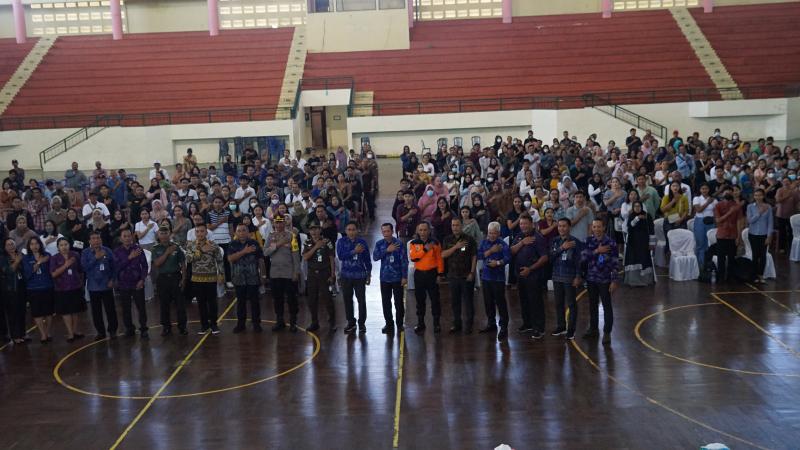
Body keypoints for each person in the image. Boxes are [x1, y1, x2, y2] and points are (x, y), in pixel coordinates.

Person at [511, 215, 549, 339]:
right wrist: (522, 243)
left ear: (532, 224)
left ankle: (539, 328)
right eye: (521, 224)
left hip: (533, 275)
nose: (523, 226)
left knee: (535, 302)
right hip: (520, 275)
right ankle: (527, 324)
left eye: (525, 223)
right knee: (524, 301)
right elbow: (511, 251)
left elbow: (544, 257)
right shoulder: (519, 236)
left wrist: (530, 269)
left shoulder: (538, 238)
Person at [581, 219, 619, 345]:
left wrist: (614, 281)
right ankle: (593, 329)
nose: (596, 229)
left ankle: (607, 332)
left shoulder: (611, 243)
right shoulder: (588, 241)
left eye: (599, 227)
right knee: (592, 305)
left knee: (607, 306)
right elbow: (583, 257)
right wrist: (597, 251)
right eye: (594, 227)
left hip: (605, 280)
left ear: (604, 228)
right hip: (591, 279)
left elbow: (615, 263)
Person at [264, 214, 301, 332]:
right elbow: (265, 252)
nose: (279, 225)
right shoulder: (270, 236)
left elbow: (296, 255)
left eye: (281, 222)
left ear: (284, 223)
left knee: (292, 299)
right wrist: (278, 244)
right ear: (274, 223)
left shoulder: (291, 236)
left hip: (289, 272)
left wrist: (296, 272)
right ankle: (280, 321)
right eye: (277, 222)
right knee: (277, 299)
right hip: (275, 273)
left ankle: (293, 322)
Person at [185, 223, 224, 334]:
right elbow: (188, 259)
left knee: (212, 302)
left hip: (211, 277)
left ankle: (214, 325)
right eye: (197, 231)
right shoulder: (191, 245)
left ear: (206, 232)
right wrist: (201, 250)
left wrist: (221, 274)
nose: (200, 234)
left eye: (202, 231)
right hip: (197, 278)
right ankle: (204, 325)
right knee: (201, 303)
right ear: (195, 233)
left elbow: (220, 261)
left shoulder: (213, 245)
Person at [441, 217, 477, 334]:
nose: (455, 227)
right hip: (453, 275)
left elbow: (474, 256)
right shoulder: (447, 239)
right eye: (453, 225)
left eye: (457, 225)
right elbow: (443, 255)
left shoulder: (469, 239)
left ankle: (469, 325)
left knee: (468, 301)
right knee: (455, 302)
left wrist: (472, 272)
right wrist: (455, 247)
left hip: (466, 275)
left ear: (461, 226)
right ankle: (457, 324)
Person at [550, 218, 583, 340]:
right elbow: (550, 257)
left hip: (569, 277)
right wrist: (562, 248)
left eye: (564, 226)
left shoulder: (575, 242)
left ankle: (571, 329)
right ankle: (561, 326)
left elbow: (579, 262)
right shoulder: (555, 241)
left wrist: (578, 276)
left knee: (571, 304)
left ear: (569, 227)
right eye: (559, 226)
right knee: (558, 303)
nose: (561, 228)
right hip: (557, 276)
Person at [477, 221, 511, 342]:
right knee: (488, 302)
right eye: (490, 233)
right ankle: (491, 323)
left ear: (498, 233)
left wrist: (497, 263)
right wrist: (491, 251)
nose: (491, 235)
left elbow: (508, 258)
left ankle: (504, 326)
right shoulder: (484, 242)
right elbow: (479, 255)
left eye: (494, 233)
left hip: (498, 278)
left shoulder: (502, 244)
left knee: (500, 303)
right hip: (486, 277)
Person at [408, 222, 444, 334]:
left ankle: (436, 324)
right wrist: (425, 250)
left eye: (425, 230)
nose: (423, 232)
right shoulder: (414, 243)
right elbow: (414, 258)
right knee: (420, 300)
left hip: (432, 274)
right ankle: (420, 323)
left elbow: (439, 259)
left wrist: (440, 274)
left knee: (435, 300)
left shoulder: (435, 243)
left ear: (429, 231)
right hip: (419, 274)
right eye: (421, 230)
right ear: (418, 231)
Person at [151, 226, 188, 336]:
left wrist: (184, 278)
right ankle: (166, 327)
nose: (164, 236)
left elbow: (183, 264)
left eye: (166, 233)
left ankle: (182, 327)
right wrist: (167, 252)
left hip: (176, 277)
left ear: (170, 234)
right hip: (162, 278)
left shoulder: (176, 247)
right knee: (164, 304)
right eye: (161, 233)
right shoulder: (155, 249)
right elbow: (157, 263)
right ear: (158, 235)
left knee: (180, 304)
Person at [114, 228, 149, 340]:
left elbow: (145, 266)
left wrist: (142, 279)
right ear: (121, 238)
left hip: (137, 283)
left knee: (141, 307)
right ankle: (129, 328)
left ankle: (143, 329)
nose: (127, 238)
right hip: (123, 284)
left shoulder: (138, 249)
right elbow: (116, 268)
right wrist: (129, 258)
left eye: (129, 236)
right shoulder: (117, 252)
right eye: (124, 236)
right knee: (126, 308)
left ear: (132, 237)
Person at [82, 230, 118, 341]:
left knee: (110, 309)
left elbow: (115, 266)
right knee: (96, 311)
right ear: (89, 241)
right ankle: (100, 332)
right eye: (93, 238)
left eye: (98, 238)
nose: (96, 240)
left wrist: (113, 279)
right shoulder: (85, 253)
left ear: (101, 239)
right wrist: (95, 258)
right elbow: (84, 268)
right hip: (93, 287)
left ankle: (112, 331)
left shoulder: (107, 250)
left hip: (107, 285)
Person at [336, 221, 371, 334]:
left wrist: (368, 273)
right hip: (346, 276)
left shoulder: (362, 242)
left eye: (353, 229)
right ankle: (351, 322)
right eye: (349, 230)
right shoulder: (341, 241)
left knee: (361, 300)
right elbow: (341, 256)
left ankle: (362, 323)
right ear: (345, 231)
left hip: (360, 276)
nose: (351, 232)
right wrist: (354, 251)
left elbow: (367, 259)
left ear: (357, 230)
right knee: (347, 300)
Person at [372, 223, 408, 334]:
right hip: (385, 278)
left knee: (399, 303)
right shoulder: (379, 244)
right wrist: (386, 250)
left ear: (392, 231)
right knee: (386, 302)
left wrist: (404, 276)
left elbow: (404, 261)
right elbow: (375, 257)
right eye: (384, 231)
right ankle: (389, 324)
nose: (386, 233)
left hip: (397, 278)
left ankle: (400, 324)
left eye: (388, 231)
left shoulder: (399, 243)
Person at [49, 237, 86, 342]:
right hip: (62, 289)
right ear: (58, 247)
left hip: (75, 287)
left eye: (66, 244)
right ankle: (70, 333)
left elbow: (80, 270)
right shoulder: (54, 258)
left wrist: (80, 282)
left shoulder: (75, 255)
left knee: (75, 310)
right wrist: (66, 265)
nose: (64, 247)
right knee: (66, 312)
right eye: (61, 245)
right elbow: (53, 274)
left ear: (69, 245)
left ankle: (75, 330)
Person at [228, 223, 262, 333]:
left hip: (253, 277)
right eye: (239, 231)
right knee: (240, 302)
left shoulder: (254, 243)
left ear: (248, 232)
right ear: (235, 233)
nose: (241, 233)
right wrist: (244, 251)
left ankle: (256, 323)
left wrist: (263, 275)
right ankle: (241, 324)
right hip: (239, 278)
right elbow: (230, 258)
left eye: (244, 230)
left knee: (255, 302)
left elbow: (260, 259)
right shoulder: (232, 244)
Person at [302, 224, 337, 333]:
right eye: (311, 230)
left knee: (328, 299)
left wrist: (332, 274)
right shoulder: (307, 242)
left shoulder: (327, 241)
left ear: (320, 230)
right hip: (312, 274)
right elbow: (305, 257)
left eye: (316, 229)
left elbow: (332, 258)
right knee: (312, 299)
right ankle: (314, 322)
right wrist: (316, 247)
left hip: (324, 273)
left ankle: (332, 323)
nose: (314, 232)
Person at [22, 237, 54, 343]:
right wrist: (39, 262)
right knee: (37, 313)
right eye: (32, 244)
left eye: (36, 243)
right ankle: (43, 334)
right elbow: (27, 274)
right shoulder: (26, 258)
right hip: (33, 289)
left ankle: (48, 332)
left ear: (40, 244)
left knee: (49, 312)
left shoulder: (47, 255)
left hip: (47, 287)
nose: (34, 246)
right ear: (29, 246)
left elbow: (52, 271)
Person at [1, 238, 27, 345]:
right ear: (4, 247)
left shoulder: (21, 255)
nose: (11, 246)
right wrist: (17, 261)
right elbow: (8, 271)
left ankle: (23, 333)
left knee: (22, 312)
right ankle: (15, 336)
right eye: (8, 245)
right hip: (10, 289)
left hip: (22, 288)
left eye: (12, 244)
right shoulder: (3, 258)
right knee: (13, 313)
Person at [623, 202, 655, 286]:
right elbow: (630, 226)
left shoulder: (647, 216)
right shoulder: (631, 216)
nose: (637, 208)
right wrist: (637, 218)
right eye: (635, 206)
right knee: (633, 259)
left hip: (644, 242)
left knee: (644, 259)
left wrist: (651, 243)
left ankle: (644, 280)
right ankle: (634, 281)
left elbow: (651, 229)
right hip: (632, 243)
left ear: (642, 207)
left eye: (639, 206)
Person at [713, 187, 742, 283]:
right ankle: (721, 277)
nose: (728, 193)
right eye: (726, 191)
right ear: (722, 194)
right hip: (721, 234)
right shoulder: (718, 205)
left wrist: (738, 236)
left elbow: (739, 221)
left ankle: (730, 277)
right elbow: (718, 220)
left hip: (733, 234)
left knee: (732, 257)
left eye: (730, 191)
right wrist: (730, 212)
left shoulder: (737, 206)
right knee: (721, 257)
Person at [746, 189, 773, 284]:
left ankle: (761, 274)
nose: (758, 197)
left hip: (763, 234)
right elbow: (750, 221)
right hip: (753, 234)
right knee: (755, 255)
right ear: (754, 196)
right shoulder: (750, 207)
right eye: (756, 195)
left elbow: (770, 223)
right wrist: (759, 212)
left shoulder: (768, 207)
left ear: (763, 196)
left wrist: (769, 236)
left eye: (760, 195)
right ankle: (754, 275)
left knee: (763, 255)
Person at [692, 183, 717, 267]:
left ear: (709, 189)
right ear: (700, 190)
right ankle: (700, 264)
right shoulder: (697, 198)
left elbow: (716, 211)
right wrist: (707, 202)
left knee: (709, 243)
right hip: (700, 221)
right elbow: (698, 210)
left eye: (706, 188)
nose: (704, 190)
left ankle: (708, 264)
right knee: (700, 243)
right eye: (702, 189)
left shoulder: (714, 200)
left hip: (711, 221)